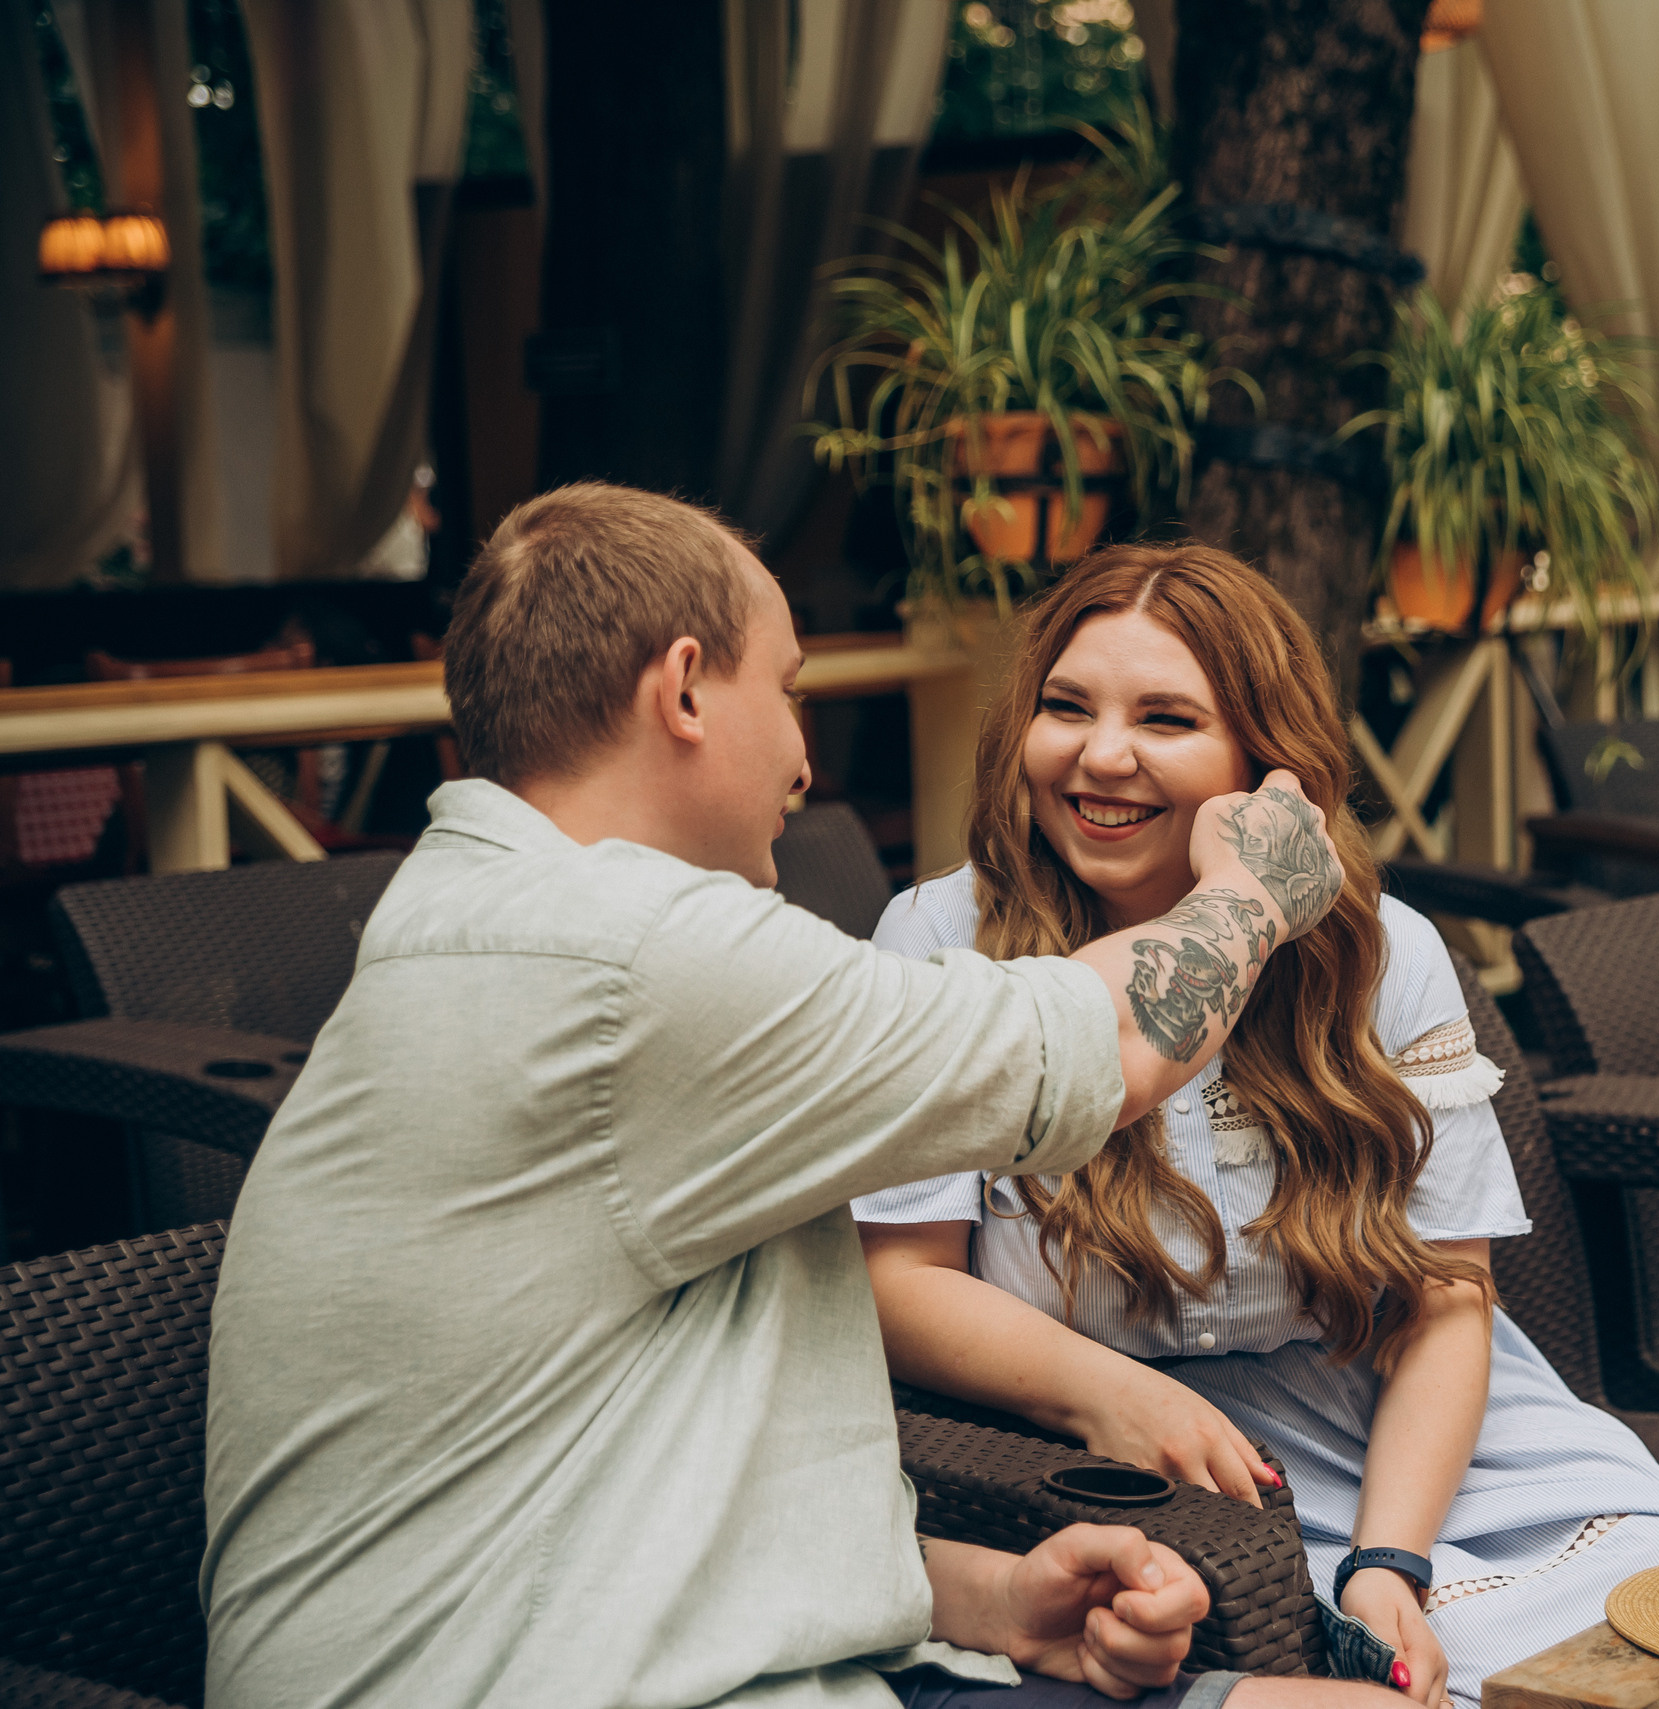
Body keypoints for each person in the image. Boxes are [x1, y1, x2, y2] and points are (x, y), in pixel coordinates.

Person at [198, 483, 1388, 1709]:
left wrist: (993, 1598)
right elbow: (1111, 1044)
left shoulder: (486, 915)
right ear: (685, 690)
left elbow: (616, 1487)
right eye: (790, 689)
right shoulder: (633, 955)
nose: (808, 758)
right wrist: (1250, 894)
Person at [854, 544, 1659, 1709]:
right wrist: (1110, 1393)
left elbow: (1449, 1298)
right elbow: (899, 1278)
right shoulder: (934, 941)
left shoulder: (1381, 951)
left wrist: (1391, 1558)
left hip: (1430, 1440)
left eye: (1165, 717)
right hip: (1143, 1470)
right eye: (1066, 706)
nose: (1100, 754)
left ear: (1264, 767)